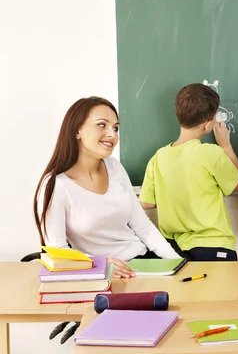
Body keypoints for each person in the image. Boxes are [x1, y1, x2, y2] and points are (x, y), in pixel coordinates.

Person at [33, 97, 180, 279]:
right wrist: (101, 264)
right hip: (99, 274)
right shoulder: (56, 185)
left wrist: (177, 262)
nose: (112, 134)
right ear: (77, 130)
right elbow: (58, 251)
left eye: (116, 128)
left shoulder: (114, 167)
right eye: (102, 125)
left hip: (142, 264)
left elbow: (142, 225)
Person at [140, 83, 238, 261]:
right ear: (207, 126)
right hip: (214, 248)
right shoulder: (211, 153)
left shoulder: (158, 157)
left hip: (173, 250)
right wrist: (226, 146)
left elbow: (146, 203)